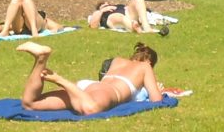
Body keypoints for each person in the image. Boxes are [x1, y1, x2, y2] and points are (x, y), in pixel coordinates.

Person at [16, 40, 162, 115]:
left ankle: (41, 59)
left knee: (30, 104)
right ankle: (61, 81)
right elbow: (156, 99)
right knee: (91, 109)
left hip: (87, 87)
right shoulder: (145, 66)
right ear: (150, 62)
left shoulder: (118, 60)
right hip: (109, 91)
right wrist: (158, 90)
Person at [0, 0, 64, 37]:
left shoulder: (44, 20)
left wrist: (55, 30)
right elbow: (0, 27)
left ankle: (34, 30)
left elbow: (59, 27)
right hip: (22, 27)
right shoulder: (19, 19)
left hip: (34, 25)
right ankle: (5, 32)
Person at [88, 0, 161, 34]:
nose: (107, 5)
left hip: (128, 13)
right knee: (118, 16)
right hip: (112, 18)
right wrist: (102, 10)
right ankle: (133, 26)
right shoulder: (99, 12)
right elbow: (93, 26)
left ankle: (146, 27)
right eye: (104, 5)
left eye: (108, 4)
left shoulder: (118, 6)